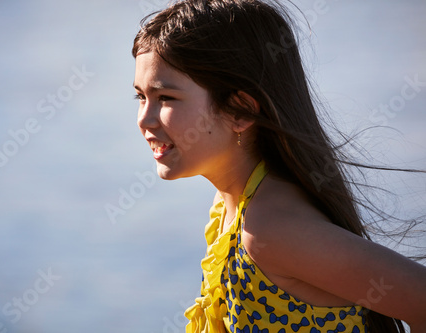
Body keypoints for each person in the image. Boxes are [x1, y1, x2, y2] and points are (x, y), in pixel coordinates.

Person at [131, 0, 426, 332]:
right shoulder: (231, 207)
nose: (144, 119)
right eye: (140, 97)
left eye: (166, 98)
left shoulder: (271, 230)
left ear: (240, 111)